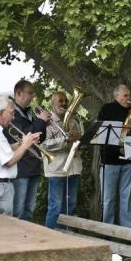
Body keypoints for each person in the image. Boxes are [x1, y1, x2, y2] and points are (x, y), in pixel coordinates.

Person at [0, 96, 40, 215]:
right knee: (2, 227)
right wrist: (25, 145)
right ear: (1, 113)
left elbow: (5, 149)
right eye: (11, 113)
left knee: (0, 225)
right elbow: (9, 161)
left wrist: (23, 141)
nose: (13, 117)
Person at [8, 80, 49, 220]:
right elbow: (22, 136)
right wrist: (40, 121)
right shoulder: (12, 113)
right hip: (20, 168)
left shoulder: (30, 112)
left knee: (29, 209)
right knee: (18, 210)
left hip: (33, 166)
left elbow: (39, 139)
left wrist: (43, 124)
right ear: (18, 93)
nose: (32, 96)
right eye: (29, 93)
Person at [41, 91, 82, 229]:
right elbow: (44, 144)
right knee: (55, 207)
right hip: (57, 170)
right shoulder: (46, 121)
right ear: (53, 103)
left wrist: (78, 142)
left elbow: (79, 140)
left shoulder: (73, 120)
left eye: (65, 101)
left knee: (70, 205)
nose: (64, 103)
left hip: (73, 167)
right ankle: (49, 240)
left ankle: (65, 237)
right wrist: (65, 139)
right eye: (60, 101)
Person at [97, 84, 131, 227]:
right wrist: (123, 129)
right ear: (116, 96)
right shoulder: (107, 108)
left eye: (129, 95)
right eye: (125, 96)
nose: (129, 99)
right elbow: (100, 130)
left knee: (127, 199)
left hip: (128, 160)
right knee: (108, 199)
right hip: (110, 160)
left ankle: (127, 231)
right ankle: (106, 231)